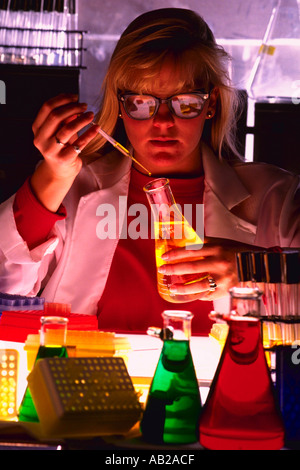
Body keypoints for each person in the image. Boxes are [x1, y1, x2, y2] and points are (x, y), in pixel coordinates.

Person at [0, 8, 299, 336]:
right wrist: (53, 176)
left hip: (214, 386)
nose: (162, 122)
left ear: (211, 103)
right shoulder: (77, 187)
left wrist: (252, 267)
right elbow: (9, 281)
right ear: (121, 105)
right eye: (142, 102)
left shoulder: (275, 196)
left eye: (185, 103)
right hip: (87, 380)